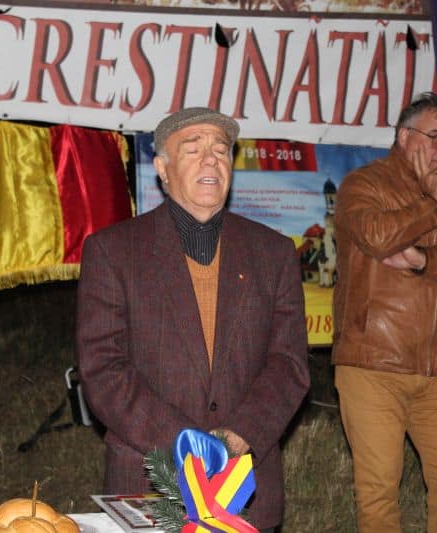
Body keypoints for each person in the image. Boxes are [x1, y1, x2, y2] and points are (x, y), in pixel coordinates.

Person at [76, 107, 310, 532]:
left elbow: (289, 364)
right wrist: (185, 445)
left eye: (220, 150)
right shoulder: (113, 252)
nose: (210, 159)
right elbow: (103, 370)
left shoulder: (274, 253)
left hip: (245, 485)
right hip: (148, 481)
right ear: (162, 169)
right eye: (193, 149)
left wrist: (238, 436)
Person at [332, 92, 437, 532]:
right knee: (380, 490)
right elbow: (378, 236)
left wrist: (425, 260)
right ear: (404, 136)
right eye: (435, 136)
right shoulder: (363, 185)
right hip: (372, 364)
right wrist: (431, 205)